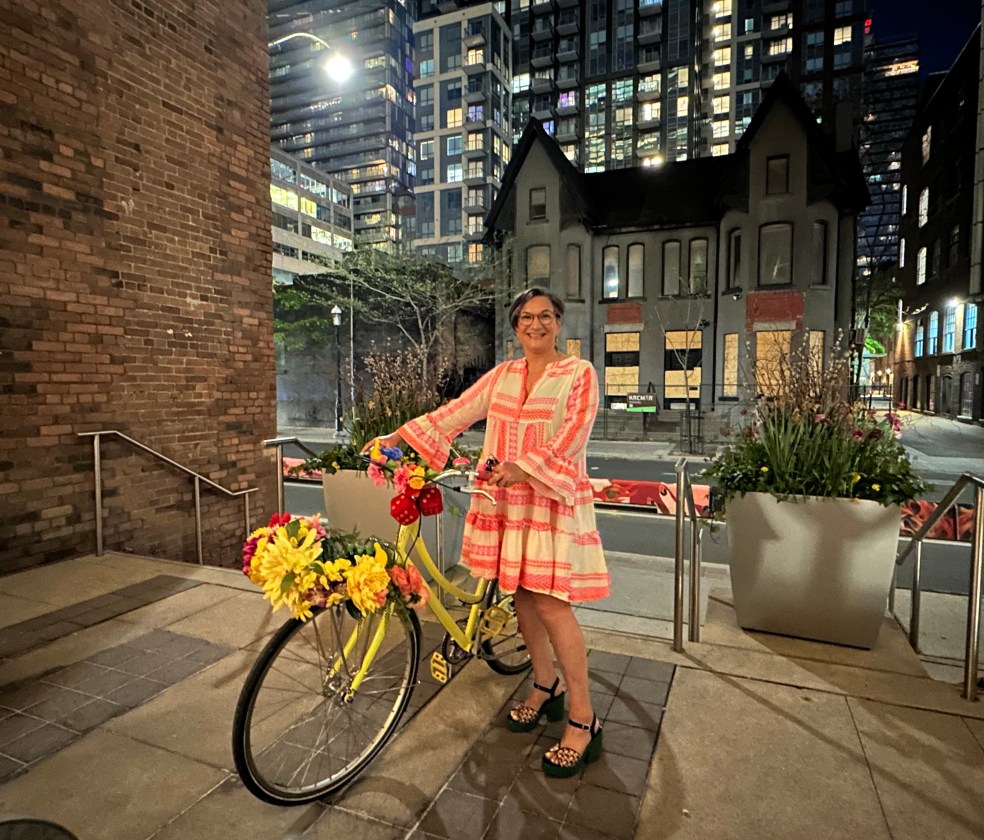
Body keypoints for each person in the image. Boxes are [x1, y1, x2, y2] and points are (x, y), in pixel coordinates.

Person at [363, 287, 610, 778]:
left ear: (558, 322)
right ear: (515, 327)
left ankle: (584, 718)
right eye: (525, 318)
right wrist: (397, 438)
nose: (535, 325)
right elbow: (455, 412)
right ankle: (545, 686)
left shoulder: (577, 374)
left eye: (544, 316)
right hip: (504, 500)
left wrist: (524, 467)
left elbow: (574, 434)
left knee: (552, 604)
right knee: (519, 597)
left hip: (550, 502)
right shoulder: (504, 375)